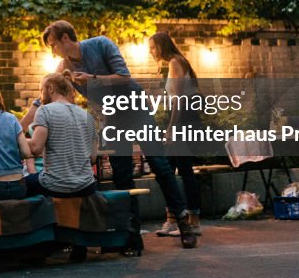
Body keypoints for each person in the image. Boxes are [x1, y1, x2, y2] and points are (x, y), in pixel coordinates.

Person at [34, 20, 197, 249]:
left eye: (53, 45)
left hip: (134, 106)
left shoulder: (101, 44)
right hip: (112, 116)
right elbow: (45, 92)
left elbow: (124, 77)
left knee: (159, 163)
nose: (52, 51)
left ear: (65, 38)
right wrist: (23, 120)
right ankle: (131, 232)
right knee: (121, 173)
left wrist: (91, 79)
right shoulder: (63, 67)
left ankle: (183, 222)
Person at [149, 32, 203, 237]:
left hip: (185, 118)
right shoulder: (174, 63)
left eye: (153, 47)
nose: (151, 52)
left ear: (162, 46)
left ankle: (193, 221)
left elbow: (180, 99)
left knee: (183, 170)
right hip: (183, 117)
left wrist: (172, 128)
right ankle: (173, 219)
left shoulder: (175, 62)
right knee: (169, 169)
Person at [21, 72, 98, 197]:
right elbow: (93, 158)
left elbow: (35, 148)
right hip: (87, 186)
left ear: (50, 88)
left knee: (19, 184)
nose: (40, 97)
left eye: (41, 90)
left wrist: (19, 139)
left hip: (55, 186)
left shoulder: (45, 110)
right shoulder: (87, 116)